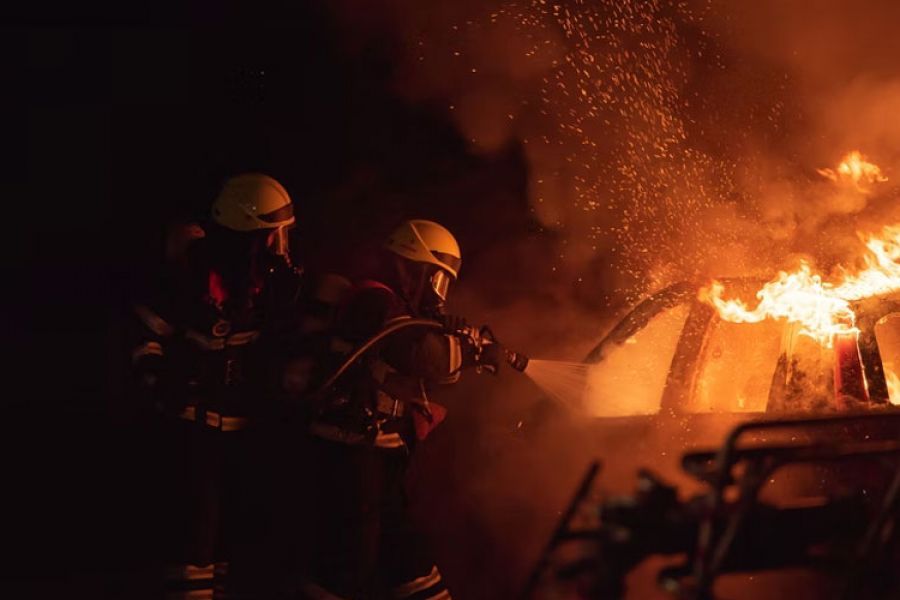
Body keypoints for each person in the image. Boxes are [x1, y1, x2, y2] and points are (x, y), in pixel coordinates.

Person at [299, 219, 505, 600]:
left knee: (408, 559)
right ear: (413, 268)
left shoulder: (394, 308)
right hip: (352, 453)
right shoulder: (375, 300)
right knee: (347, 565)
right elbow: (427, 357)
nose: (438, 293)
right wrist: (476, 351)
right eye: (436, 279)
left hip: (379, 455)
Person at [128, 173, 303, 599]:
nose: (281, 248)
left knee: (232, 548)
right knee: (194, 549)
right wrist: (164, 381)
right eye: (274, 237)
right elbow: (145, 340)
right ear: (250, 238)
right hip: (195, 435)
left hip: (246, 438)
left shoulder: (274, 288)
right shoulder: (187, 279)